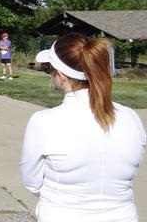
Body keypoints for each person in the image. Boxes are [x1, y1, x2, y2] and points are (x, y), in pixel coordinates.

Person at [20, 33, 146, 222]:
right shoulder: (130, 117)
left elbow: (31, 181)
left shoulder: (43, 122)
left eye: (50, 69)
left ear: (61, 76)